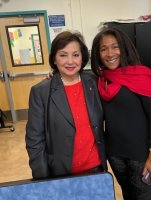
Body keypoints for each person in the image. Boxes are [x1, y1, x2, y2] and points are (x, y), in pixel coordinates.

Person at [90, 27, 151, 200]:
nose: (110, 53)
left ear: (124, 48)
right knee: (128, 195)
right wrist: (55, 75)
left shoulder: (141, 75)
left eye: (115, 47)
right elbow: (73, 76)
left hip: (141, 156)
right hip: (115, 155)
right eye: (103, 49)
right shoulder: (100, 79)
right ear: (98, 54)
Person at [25, 31, 107, 179]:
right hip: (61, 173)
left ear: (82, 58)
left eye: (75, 55)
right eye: (63, 55)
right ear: (54, 59)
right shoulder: (41, 91)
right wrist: (43, 181)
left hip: (96, 168)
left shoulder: (94, 82)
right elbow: (34, 141)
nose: (70, 61)